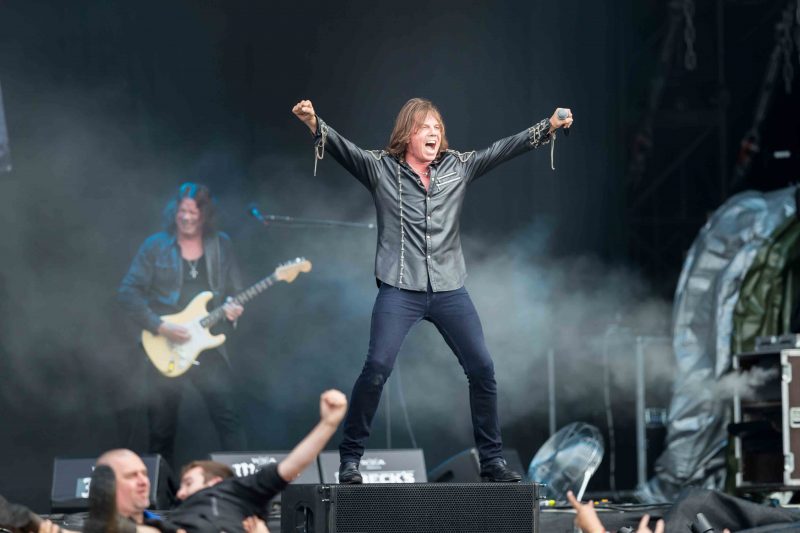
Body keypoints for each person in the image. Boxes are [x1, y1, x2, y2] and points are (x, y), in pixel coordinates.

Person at [292, 97, 573, 483]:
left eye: (437, 128)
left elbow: (503, 149)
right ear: (407, 134)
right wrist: (313, 122)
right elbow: (344, 149)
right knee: (376, 369)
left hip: (449, 287)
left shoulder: (458, 166)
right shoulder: (381, 168)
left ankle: (491, 461)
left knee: (483, 369)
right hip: (399, 287)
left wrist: (549, 126)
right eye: (425, 127)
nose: (433, 133)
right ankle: (350, 459)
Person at [118, 182, 247, 467]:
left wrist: (233, 309)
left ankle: (241, 484)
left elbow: (234, 292)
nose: (186, 217)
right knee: (161, 429)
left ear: (205, 215)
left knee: (228, 417)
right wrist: (160, 327)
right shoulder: (156, 246)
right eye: (182, 211)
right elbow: (128, 292)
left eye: (193, 212)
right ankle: (159, 492)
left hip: (206, 344)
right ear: (174, 211)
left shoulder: (221, 245)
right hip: (165, 344)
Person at [106, 389, 346, 533]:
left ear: (215, 483)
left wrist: (329, 424)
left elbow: (292, 465)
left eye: (188, 483)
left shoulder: (239, 492)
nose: (179, 493)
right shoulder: (175, 519)